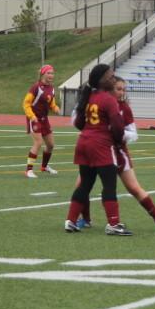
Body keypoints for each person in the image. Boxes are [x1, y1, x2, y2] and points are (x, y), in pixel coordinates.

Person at [73, 77, 155, 233]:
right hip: (98, 151)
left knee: (134, 188)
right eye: (118, 89)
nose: (122, 92)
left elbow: (133, 134)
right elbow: (80, 121)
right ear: (110, 89)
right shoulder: (97, 101)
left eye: (124, 89)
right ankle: (85, 219)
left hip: (118, 153)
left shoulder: (124, 108)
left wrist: (117, 133)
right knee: (81, 186)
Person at [64, 64, 132, 236]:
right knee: (109, 185)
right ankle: (114, 224)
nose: (113, 78)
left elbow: (79, 123)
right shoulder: (109, 100)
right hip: (101, 145)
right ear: (101, 80)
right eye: (110, 76)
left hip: (84, 142)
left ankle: (70, 220)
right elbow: (117, 127)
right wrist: (116, 141)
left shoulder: (88, 96)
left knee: (85, 184)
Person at [23, 64, 59, 178]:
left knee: (51, 145)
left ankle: (44, 167)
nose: (51, 75)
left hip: (44, 119)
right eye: (48, 73)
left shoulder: (52, 88)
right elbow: (26, 103)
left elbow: (51, 102)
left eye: (52, 73)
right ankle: (28, 170)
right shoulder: (36, 87)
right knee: (38, 143)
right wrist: (32, 116)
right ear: (43, 74)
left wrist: (55, 108)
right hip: (34, 118)